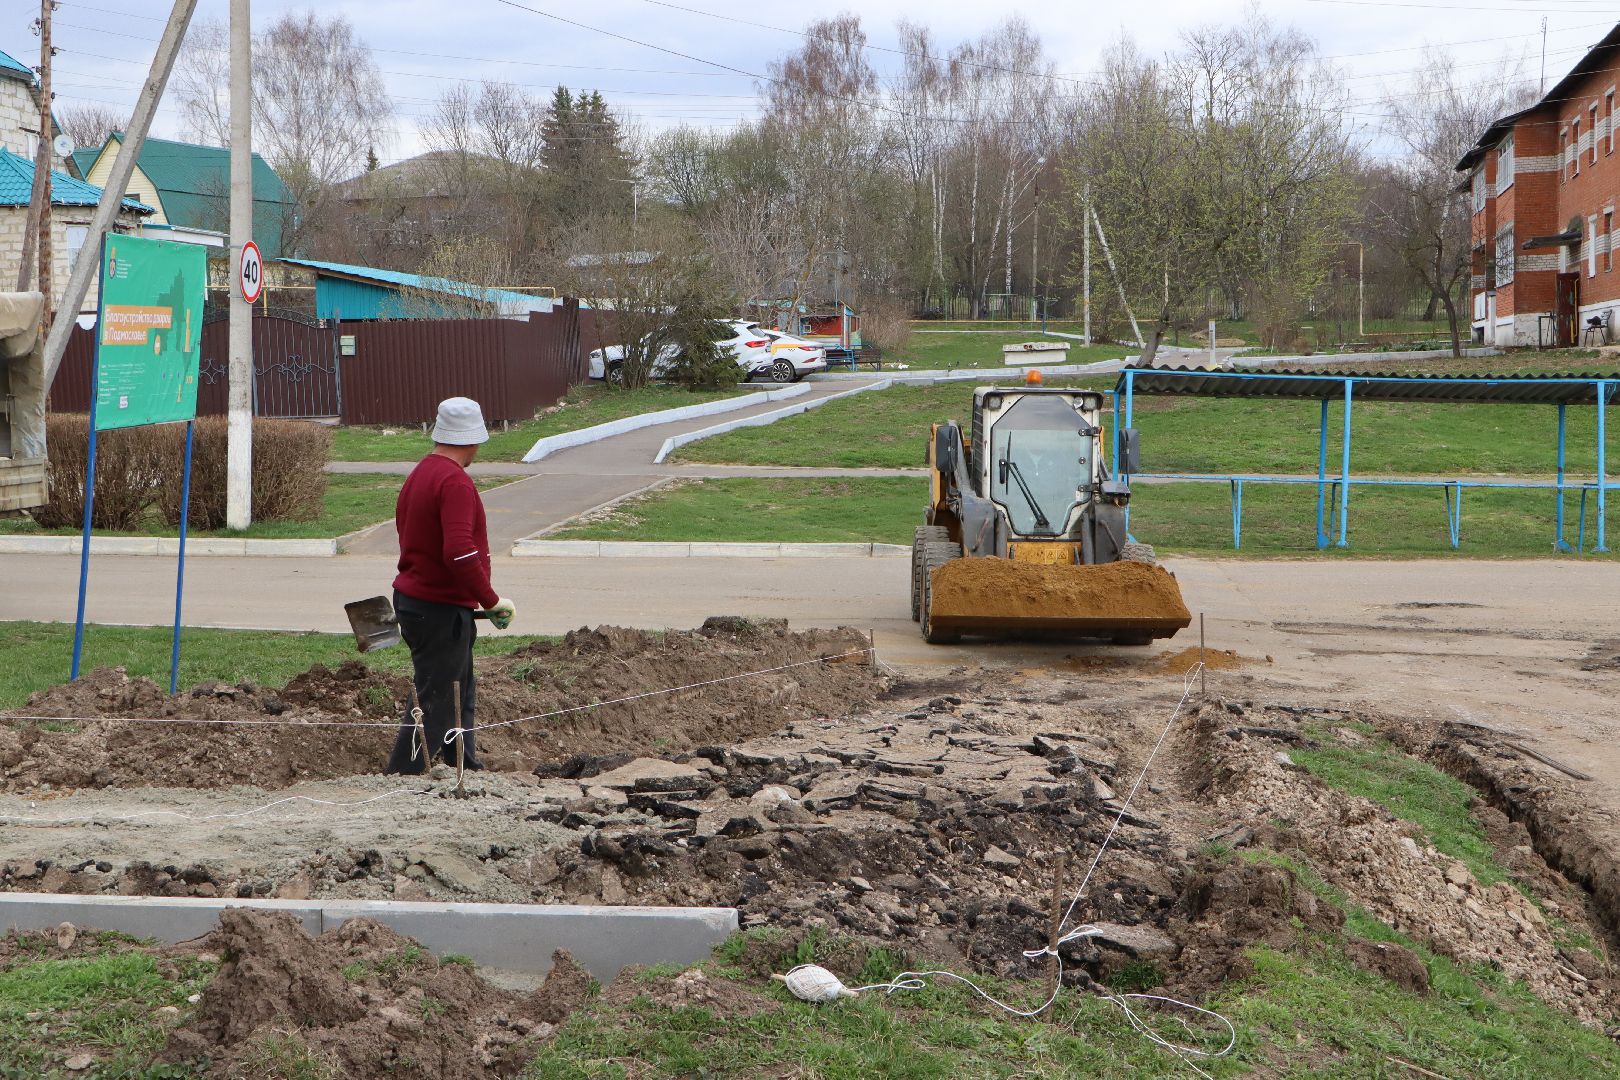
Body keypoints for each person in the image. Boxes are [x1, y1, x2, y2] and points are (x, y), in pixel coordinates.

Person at [384, 397, 516, 774]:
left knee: (456, 690)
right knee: (438, 696)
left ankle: (463, 765)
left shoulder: (422, 473)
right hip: (437, 608)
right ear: (473, 440)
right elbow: (458, 552)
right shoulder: (455, 482)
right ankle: (404, 776)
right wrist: (489, 600)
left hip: (419, 601)